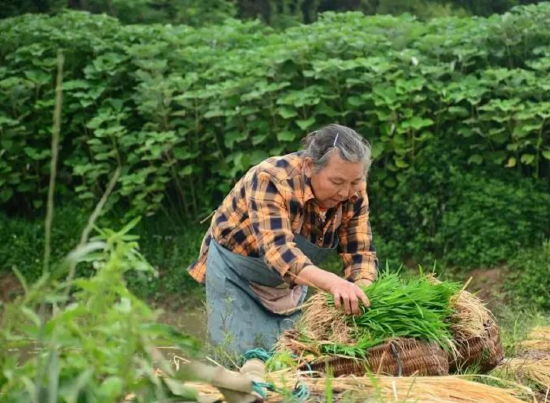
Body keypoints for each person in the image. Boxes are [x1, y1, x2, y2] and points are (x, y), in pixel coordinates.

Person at [187, 124, 378, 356]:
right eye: (337, 182)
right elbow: (279, 252)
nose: (346, 192)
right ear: (309, 167)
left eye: (355, 182)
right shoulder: (271, 178)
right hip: (236, 274)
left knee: (289, 359)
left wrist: (363, 291)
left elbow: (360, 251)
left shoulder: (353, 189)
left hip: (290, 282)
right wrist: (334, 283)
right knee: (237, 360)